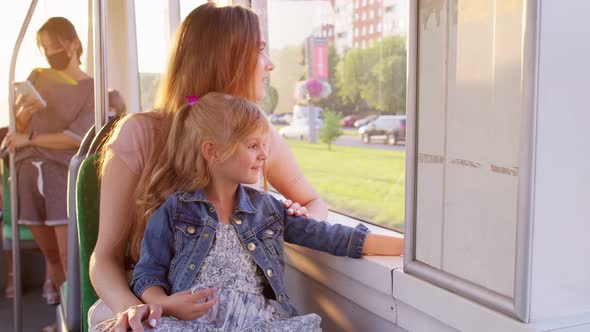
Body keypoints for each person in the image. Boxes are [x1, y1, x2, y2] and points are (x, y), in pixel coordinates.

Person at [90, 3, 334, 331]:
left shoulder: (261, 138)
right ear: (226, 59)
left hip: (240, 314)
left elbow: (313, 203)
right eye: (260, 51)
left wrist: (288, 222)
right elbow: (103, 258)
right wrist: (138, 309)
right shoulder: (140, 134)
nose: (270, 64)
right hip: (151, 300)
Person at [97, 93, 403, 332]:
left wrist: (408, 248)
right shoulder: (174, 212)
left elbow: (336, 238)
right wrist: (164, 303)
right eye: (252, 145)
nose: (264, 155)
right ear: (212, 151)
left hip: (255, 322)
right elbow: (147, 274)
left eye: (264, 144)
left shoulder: (268, 210)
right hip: (191, 323)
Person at [2, 16, 94, 330]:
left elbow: (76, 137)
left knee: (70, 260)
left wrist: (30, 139)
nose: (50, 52)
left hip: (60, 177)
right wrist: (24, 113)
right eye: (45, 47)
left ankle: (76, 319)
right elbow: (18, 128)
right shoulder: (37, 77)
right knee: (51, 256)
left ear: (74, 44)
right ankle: (64, 317)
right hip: (28, 175)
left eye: (55, 45)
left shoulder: (90, 88)